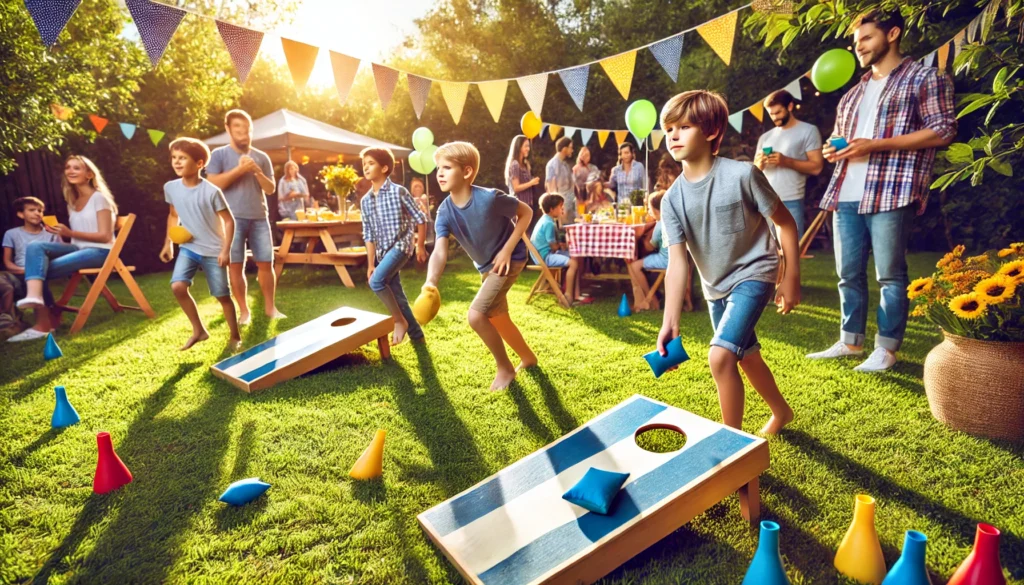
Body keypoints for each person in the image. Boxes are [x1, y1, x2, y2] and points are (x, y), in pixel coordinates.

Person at [807, 9, 957, 372]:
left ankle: (886, 349)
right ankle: (850, 341)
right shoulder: (853, 93)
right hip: (845, 191)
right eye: (856, 43)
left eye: (867, 39)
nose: (859, 48)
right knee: (848, 274)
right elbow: (841, 140)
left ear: (892, 34)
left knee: (890, 274)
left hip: (892, 189)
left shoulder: (925, 77)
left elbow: (943, 130)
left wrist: (874, 145)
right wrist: (831, 149)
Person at [656, 90, 799, 436]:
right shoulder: (671, 200)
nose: (673, 135)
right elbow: (677, 264)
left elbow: (785, 222)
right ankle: (781, 412)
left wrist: (791, 275)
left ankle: (731, 449)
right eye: (668, 128)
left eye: (684, 126)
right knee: (746, 355)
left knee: (720, 357)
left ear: (710, 131)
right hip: (715, 288)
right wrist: (669, 321)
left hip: (755, 274)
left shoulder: (743, 175)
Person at [424, 142, 536, 391]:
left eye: (446, 167)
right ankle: (528, 358)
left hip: (510, 259)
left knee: (476, 316)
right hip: (486, 266)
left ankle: (505, 368)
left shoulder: (489, 198)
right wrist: (431, 281)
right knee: (498, 317)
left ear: (466, 172)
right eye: (437, 168)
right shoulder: (444, 211)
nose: (439, 173)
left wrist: (507, 250)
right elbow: (439, 250)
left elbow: (526, 212)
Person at [12, 156, 119, 341]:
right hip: (78, 248)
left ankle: (44, 323)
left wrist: (70, 231)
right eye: (68, 167)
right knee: (35, 247)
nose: (70, 171)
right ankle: (35, 298)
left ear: (89, 174)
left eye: (76, 168)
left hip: (101, 251)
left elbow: (105, 236)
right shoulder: (73, 201)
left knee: (36, 269)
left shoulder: (99, 199)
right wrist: (61, 233)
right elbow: (77, 236)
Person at [158, 138, 240, 351]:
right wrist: (169, 244)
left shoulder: (212, 192)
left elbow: (229, 220)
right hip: (189, 247)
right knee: (177, 286)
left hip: (213, 251)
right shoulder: (171, 187)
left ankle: (234, 337)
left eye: (182, 158)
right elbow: (173, 215)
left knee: (222, 296)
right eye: (174, 158)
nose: (176, 162)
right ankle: (199, 330)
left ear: (199, 163)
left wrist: (225, 250)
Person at [205, 109, 284, 325]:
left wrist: (256, 171)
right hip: (231, 220)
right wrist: (239, 171)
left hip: (259, 218)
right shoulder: (219, 155)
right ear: (228, 129)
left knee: (266, 263)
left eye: (246, 128)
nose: (243, 132)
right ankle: (244, 312)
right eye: (237, 127)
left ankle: (270, 308)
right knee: (235, 265)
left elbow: (270, 189)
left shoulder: (262, 157)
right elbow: (213, 185)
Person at [361, 147, 429, 346]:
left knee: (376, 282)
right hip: (382, 253)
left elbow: (420, 219)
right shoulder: (366, 201)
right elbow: (368, 234)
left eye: (371, 163)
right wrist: (370, 264)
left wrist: (420, 246)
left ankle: (399, 321)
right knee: (396, 293)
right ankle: (417, 336)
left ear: (384, 168)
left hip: (401, 246)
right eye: (364, 164)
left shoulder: (398, 191)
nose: (366, 167)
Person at [753, 89, 824, 240]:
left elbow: (817, 167)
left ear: (790, 107)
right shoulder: (765, 137)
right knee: (765, 257)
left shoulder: (808, 131)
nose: (775, 118)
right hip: (764, 201)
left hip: (791, 201)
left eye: (778, 113)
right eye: (771, 114)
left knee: (791, 254)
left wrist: (786, 161)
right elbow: (754, 173)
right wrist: (758, 165)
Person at [2, 197, 60, 336]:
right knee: (4, 284)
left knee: (39, 277)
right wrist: (28, 271)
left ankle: (46, 322)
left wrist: (58, 235)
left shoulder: (51, 234)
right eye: (32, 210)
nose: (37, 213)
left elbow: (60, 256)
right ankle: (8, 321)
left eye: (40, 211)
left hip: (46, 269)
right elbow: (8, 263)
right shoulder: (11, 234)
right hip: (20, 271)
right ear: (21, 214)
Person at [530, 193, 588, 305]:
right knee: (573, 263)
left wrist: (560, 246)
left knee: (574, 256)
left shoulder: (545, 219)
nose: (562, 208)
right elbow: (553, 246)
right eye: (560, 206)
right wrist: (561, 246)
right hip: (545, 257)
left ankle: (576, 294)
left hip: (543, 255)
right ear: (552, 209)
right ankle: (568, 296)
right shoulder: (548, 223)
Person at [626, 192, 669, 312]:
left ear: (656, 210)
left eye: (650, 208)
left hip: (665, 260)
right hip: (677, 259)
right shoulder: (672, 219)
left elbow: (650, 247)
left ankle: (651, 298)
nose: (649, 211)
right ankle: (651, 297)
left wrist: (644, 237)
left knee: (635, 266)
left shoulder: (659, 225)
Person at [545, 137, 576, 224]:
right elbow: (551, 189)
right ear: (564, 149)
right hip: (562, 206)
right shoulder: (552, 165)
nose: (572, 150)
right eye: (570, 147)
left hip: (570, 204)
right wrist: (558, 209)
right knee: (562, 233)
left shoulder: (565, 164)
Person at [505, 135, 541, 210]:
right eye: (526, 146)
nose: (528, 149)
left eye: (528, 146)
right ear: (519, 147)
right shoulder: (515, 164)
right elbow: (516, 188)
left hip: (528, 204)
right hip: (519, 205)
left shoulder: (525, 163)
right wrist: (531, 183)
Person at [609, 142, 646, 207]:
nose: (625, 156)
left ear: (632, 153)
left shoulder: (639, 166)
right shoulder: (616, 170)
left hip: (636, 206)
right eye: (623, 153)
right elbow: (611, 185)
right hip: (621, 206)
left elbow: (644, 185)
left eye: (627, 153)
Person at [572, 146, 604, 211]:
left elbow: (595, 179)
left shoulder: (593, 167)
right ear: (579, 156)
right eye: (583, 155)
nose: (585, 157)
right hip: (580, 198)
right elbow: (575, 185)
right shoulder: (575, 169)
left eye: (587, 155)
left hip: (593, 197)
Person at [410, 177, 435, 248]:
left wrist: (423, 204)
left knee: (429, 221)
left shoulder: (425, 198)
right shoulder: (409, 199)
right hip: (413, 224)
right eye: (415, 186)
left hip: (425, 224)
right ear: (412, 190)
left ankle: (426, 241)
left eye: (419, 186)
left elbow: (426, 212)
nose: (417, 188)